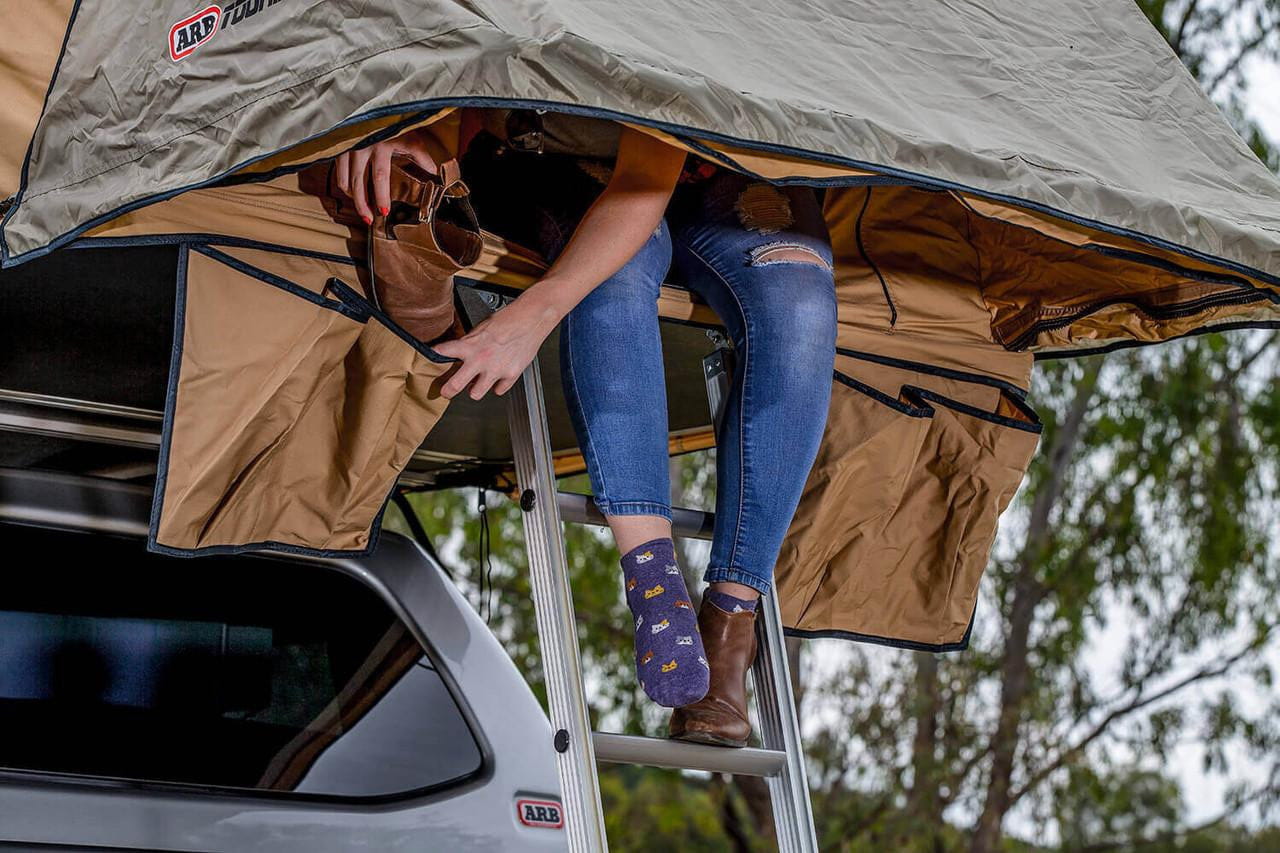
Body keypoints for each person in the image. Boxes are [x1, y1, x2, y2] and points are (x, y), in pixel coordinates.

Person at [334, 108, 837, 747]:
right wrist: (419, 132)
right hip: (552, 163)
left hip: (701, 168)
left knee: (801, 309)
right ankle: (654, 585)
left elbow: (647, 180)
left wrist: (528, 321)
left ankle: (731, 620)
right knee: (613, 276)